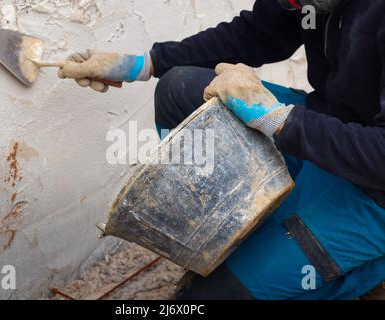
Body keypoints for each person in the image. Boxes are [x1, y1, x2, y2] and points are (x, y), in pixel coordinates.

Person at [57, 0, 385, 299]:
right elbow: (259, 33)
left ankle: (363, 270)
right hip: (327, 129)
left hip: (373, 188)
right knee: (179, 88)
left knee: (203, 299)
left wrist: (278, 121)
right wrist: (142, 65)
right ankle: (248, 233)